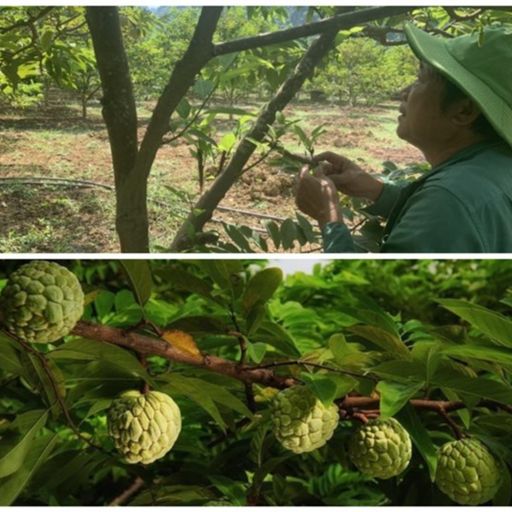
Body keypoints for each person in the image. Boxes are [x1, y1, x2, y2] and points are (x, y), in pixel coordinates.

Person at [295, 23, 512, 253]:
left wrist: (327, 216)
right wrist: (378, 191)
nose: (404, 91)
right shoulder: (496, 166)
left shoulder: (448, 201)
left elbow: (373, 289)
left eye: (420, 78)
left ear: (463, 111)